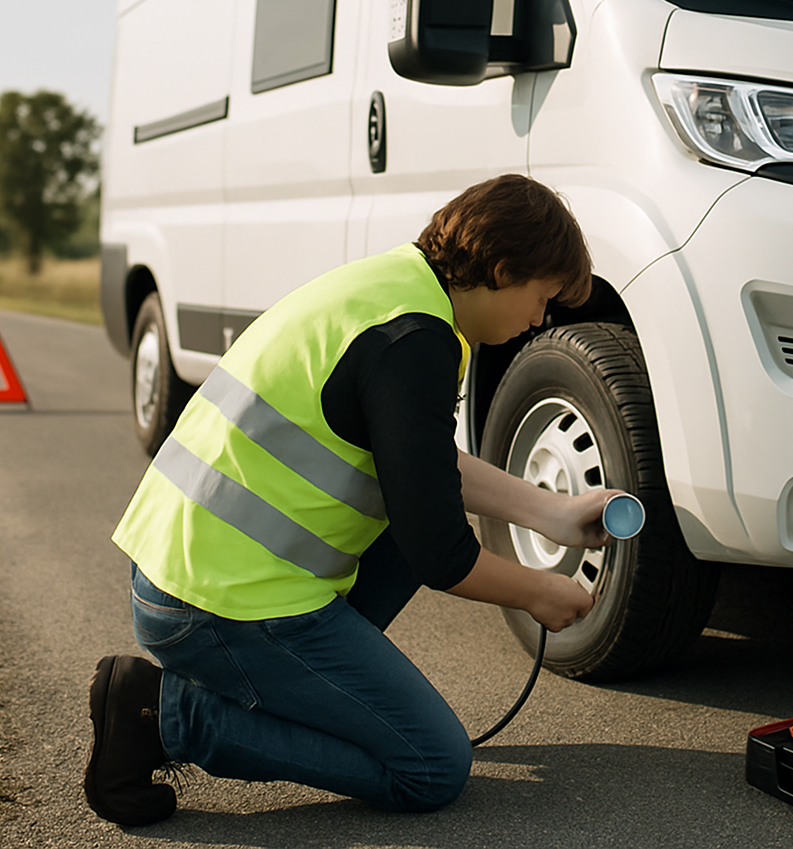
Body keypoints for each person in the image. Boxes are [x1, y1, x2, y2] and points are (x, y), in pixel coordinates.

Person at [85, 174, 621, 826]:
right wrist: (538, 591)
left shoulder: (395, 292)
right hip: (211, 605)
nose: (538, 320)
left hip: (188, 573)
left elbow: (423, 465)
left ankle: (307, 690)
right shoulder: (414, 340)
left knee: (407, 508)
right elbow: (441, 555)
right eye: (541, 299)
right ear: (503, 268)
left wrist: (554, 512)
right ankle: (165, 714)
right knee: (430, 766)